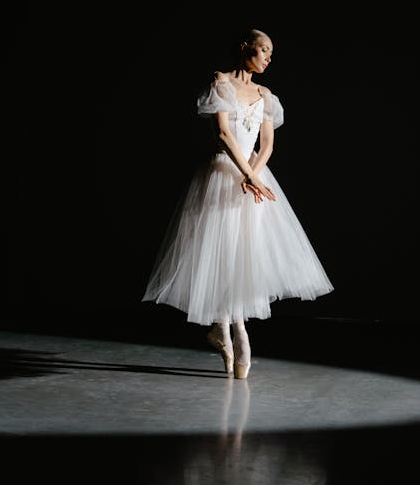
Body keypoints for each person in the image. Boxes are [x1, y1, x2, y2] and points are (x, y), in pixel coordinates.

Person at [141, 28, 334, 379]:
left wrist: (253, 177)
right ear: (246, 48)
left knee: (245, 255)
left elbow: (268, 145)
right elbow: (224, 134)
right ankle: (230, 329)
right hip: (221, 173)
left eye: (271, 52)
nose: (268, 57)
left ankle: (232, 329)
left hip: (252, 179)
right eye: (264, 49)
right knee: (223, 252)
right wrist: (245, 173)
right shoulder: (222, 82)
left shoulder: (266, 95)